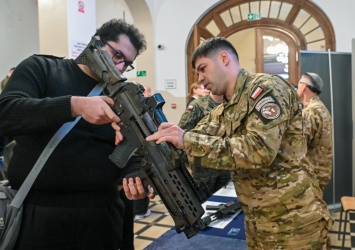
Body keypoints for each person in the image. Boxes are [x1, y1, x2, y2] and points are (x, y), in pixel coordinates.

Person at [142, 37, 333, 249]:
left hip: (294, 222)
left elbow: (259, 150)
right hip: (257, 222)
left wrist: (186, 140)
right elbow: (189, 138)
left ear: (224, 58)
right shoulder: (225, 109)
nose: (200, 78)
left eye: (203, 69)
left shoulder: (266, 88)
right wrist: (154, 177)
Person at [0, 18, 148, 250]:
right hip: (38, 216)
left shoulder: (123, 96)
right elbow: (6, 113)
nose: (120, 68)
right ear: (96, 43)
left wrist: (135, 173)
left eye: (127, 64)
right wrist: (74, 106)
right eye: (117, 56)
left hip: (103, 218)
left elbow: (134, 149)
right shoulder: (42, 68)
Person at [178, 92, 231, 202]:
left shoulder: (232, 104)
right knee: (201, 202)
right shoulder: (198, 105)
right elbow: (183, 134)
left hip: (227, 167)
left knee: (225, 201)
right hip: (204, 170)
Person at [297, 72, 333, 193]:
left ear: (303, 87)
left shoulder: (309, 112)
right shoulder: (320, 108)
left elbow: (298, 144)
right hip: (318, 173)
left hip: (311, 175)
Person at [133, 84, 152, 220]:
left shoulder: (145, 110)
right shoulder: (138, 111)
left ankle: (141, 210)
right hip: (139, 152)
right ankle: (140, 211)